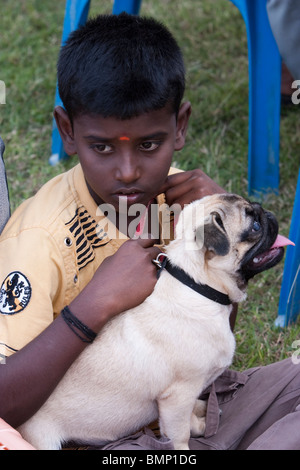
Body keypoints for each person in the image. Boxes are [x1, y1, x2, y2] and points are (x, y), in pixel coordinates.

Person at [0, 13, 299, 451]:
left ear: (180, 126)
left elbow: (204, 345)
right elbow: (4, 406)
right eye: (102, 147)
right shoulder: (40, 238)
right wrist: (93, 307)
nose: (128, 172)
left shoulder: (181, 208)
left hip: (185, 407)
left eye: (148, 145)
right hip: (101, 439)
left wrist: (224, 256)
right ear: (68, 131)